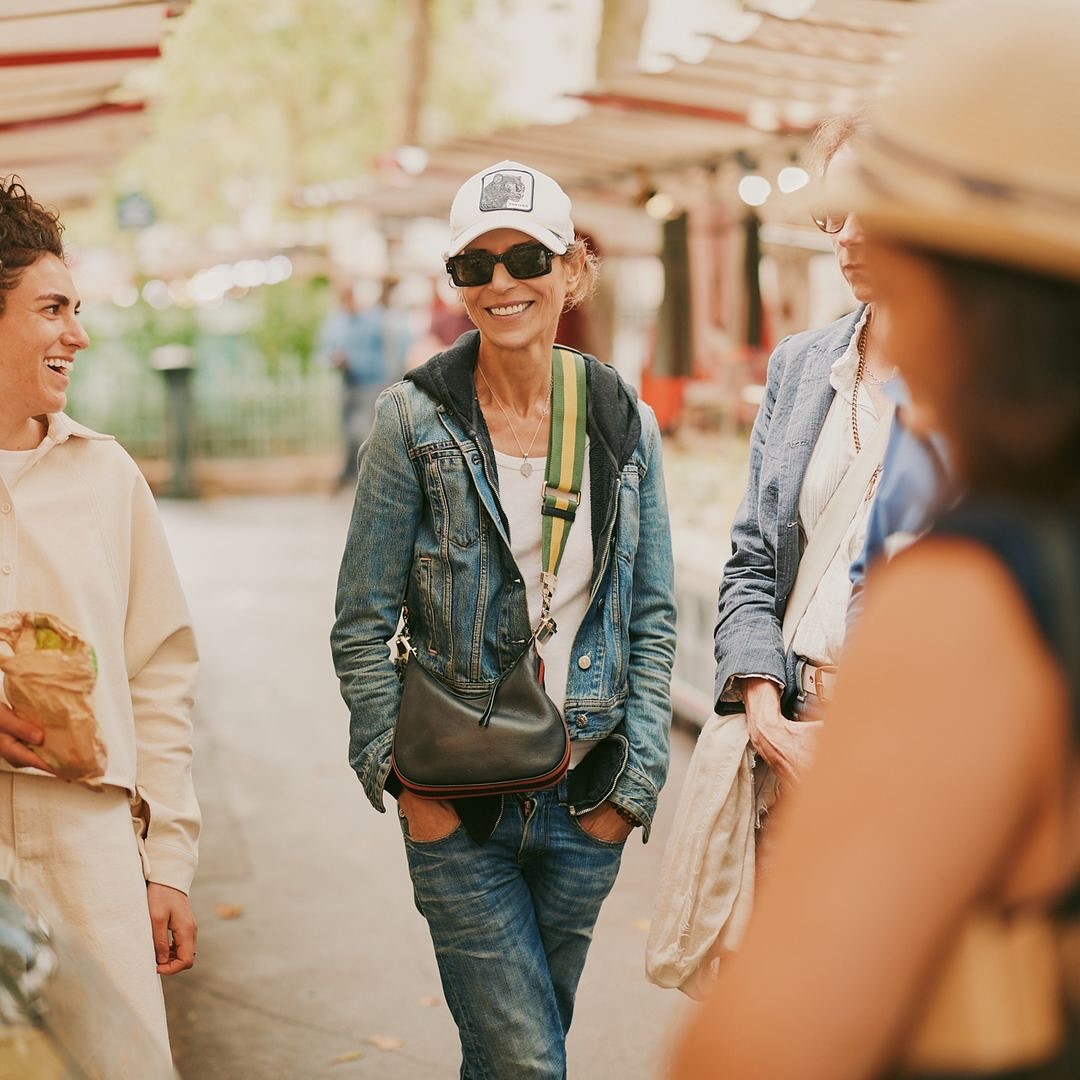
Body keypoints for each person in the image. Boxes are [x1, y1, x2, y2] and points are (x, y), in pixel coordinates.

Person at [673, 2, 1080, 1077]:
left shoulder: (973, 599)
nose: (854, 247)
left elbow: (767, 1041)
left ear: (953, 281)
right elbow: (756, 552)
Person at [331, 159, 676, 1078]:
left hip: (585, 794)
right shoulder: (413, 423)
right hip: (460, 799)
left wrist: (632, 788)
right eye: (474, 266)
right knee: (530, 1061)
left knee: (511, 1055)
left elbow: (650, 612)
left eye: (525, 256)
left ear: (572, 269)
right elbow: (359, 622)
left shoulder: (620, 418)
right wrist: (405, 782)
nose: (501, 283)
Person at [0, 177, 199, 1054]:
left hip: (90, 850)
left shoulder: (106, 477)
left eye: (75, 308)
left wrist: (169, 866)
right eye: (51, 309)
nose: (76, 333)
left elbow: (160, 673)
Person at [713, 113, 896, 788]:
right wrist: (764, 713)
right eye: (833, 212)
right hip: (790, 737)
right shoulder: (801, 365)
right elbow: (753, 561)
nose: (848, 234)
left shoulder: (990, 386)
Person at [319, 279, 397, 489]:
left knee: (360, 431)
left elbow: (388, 351)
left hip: (371, 384)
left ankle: (364, 476)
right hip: (348, 384)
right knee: (347, 432)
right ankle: (351, 475)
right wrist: (335, 359)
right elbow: (325, 351)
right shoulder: (335, 322)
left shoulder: (374, 320)